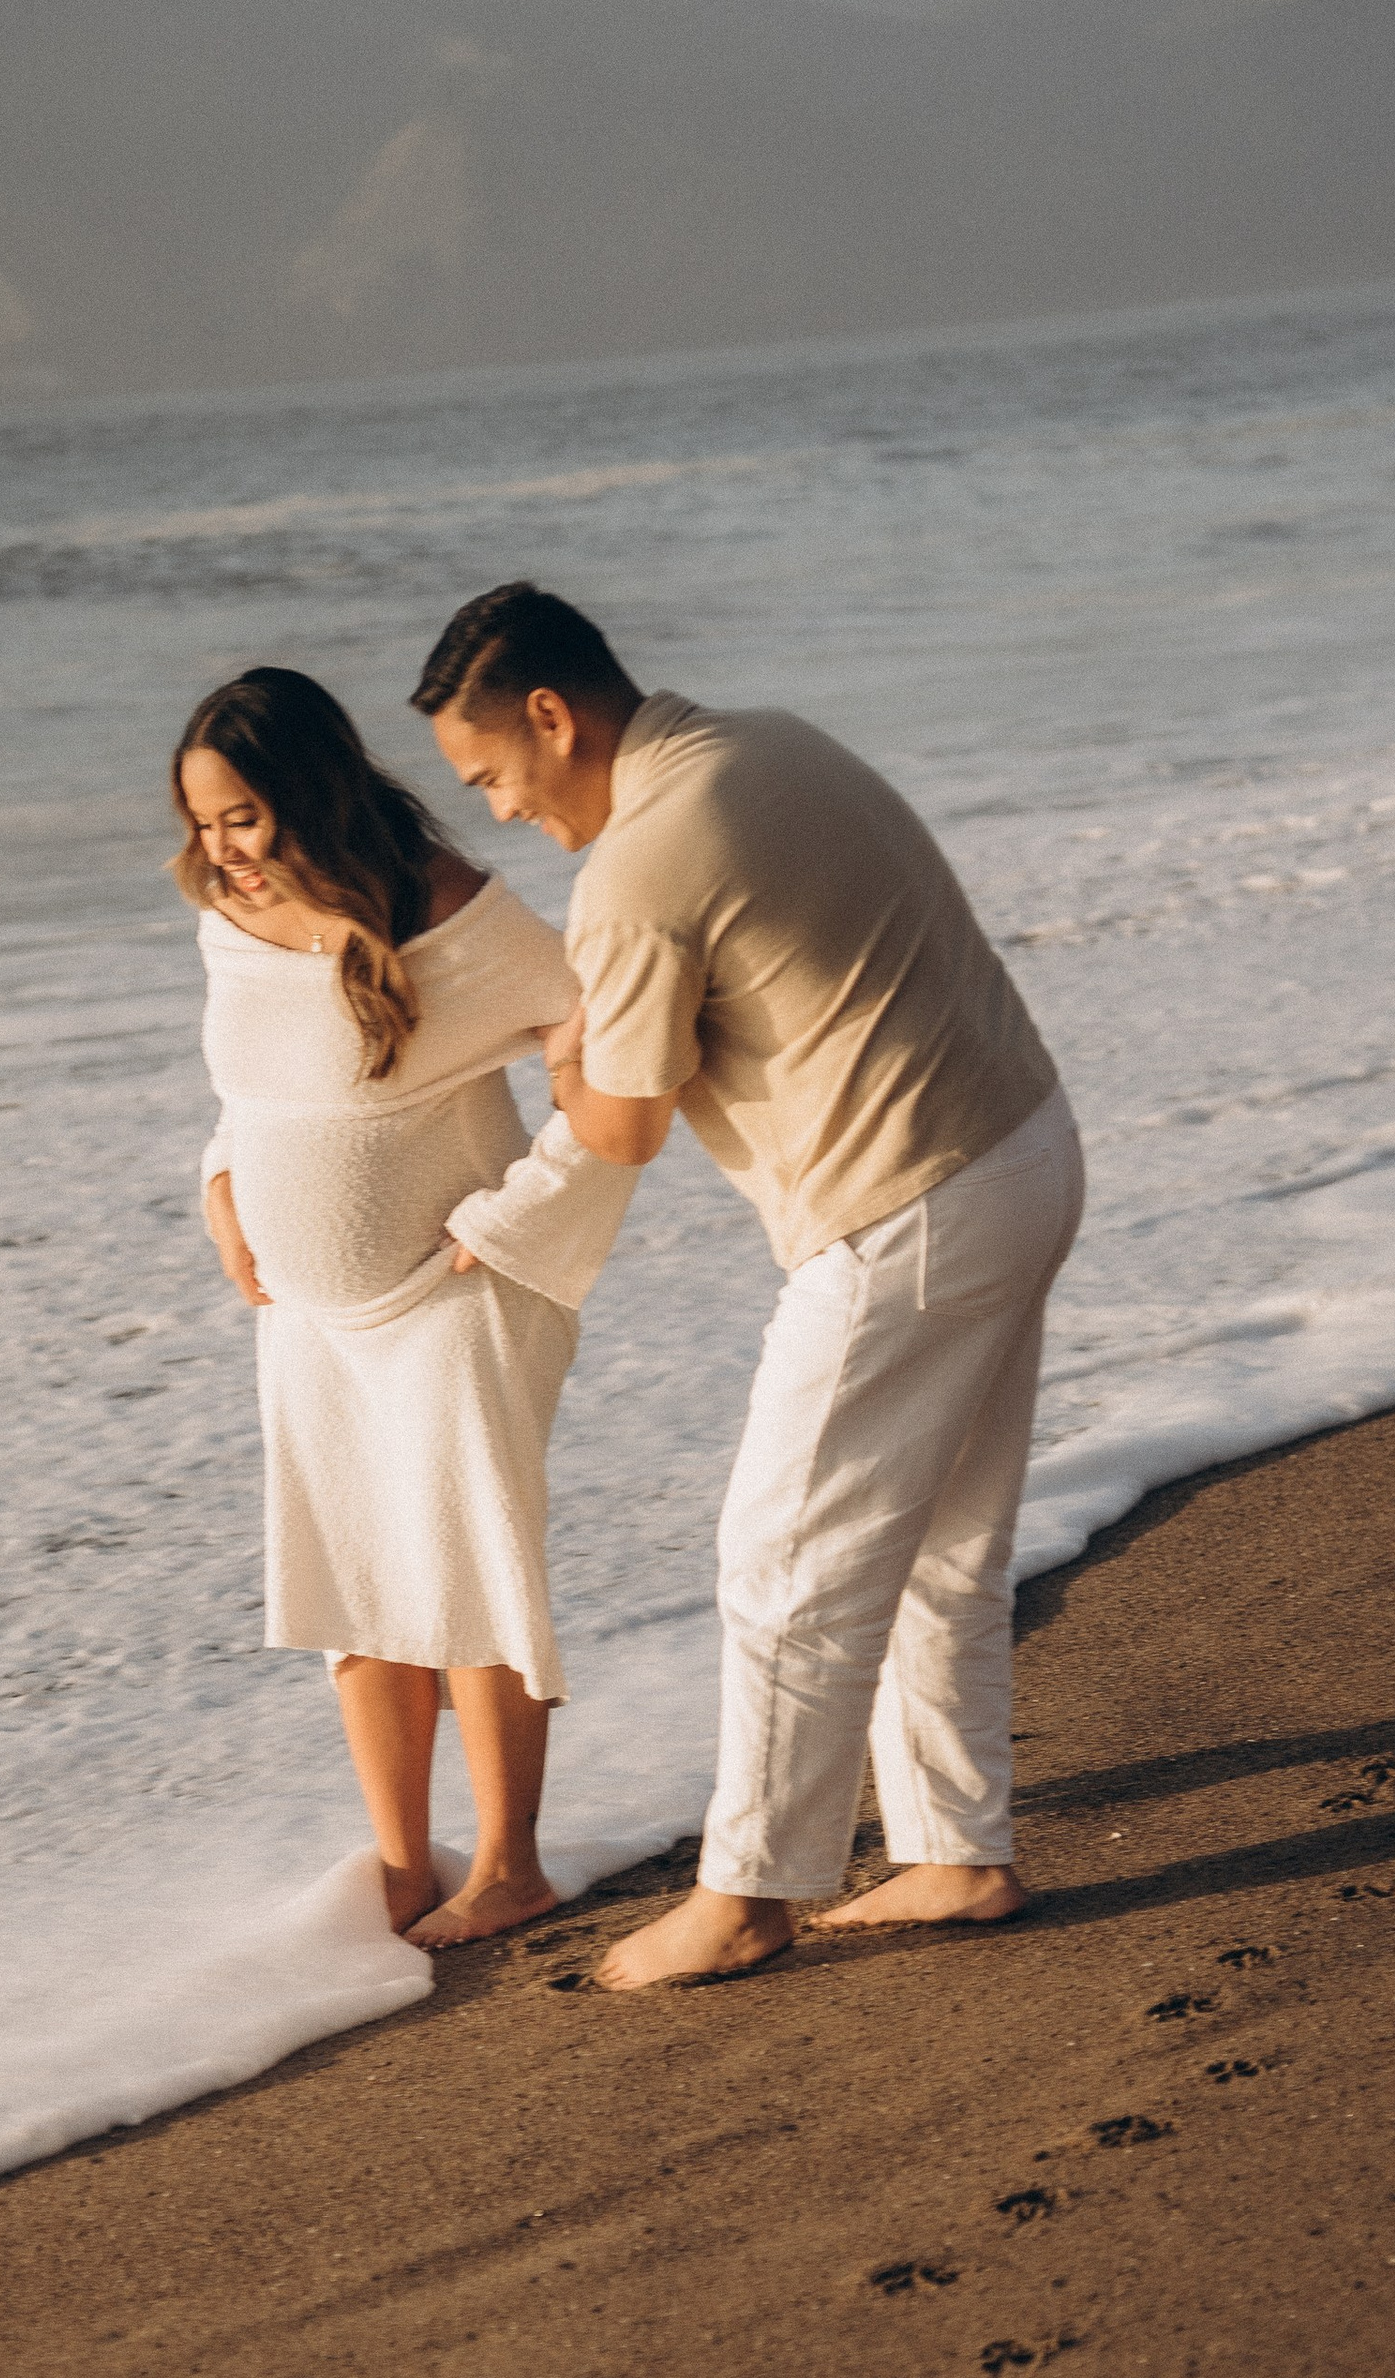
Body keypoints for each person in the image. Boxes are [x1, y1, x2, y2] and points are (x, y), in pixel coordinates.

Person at [414, 582, 1084, 1990]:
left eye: (491, 777)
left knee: (780, 1560)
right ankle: (954, 1852)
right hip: (1020, 1147)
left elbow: (624, 1127)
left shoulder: (639, 865)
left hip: (902, 1209)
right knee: (939, 1543)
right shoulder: (772, 741)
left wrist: (563, 1049)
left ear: (553, 716)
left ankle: (747, 1896)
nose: (503, 811)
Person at [177, 665, 635, 1945]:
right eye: (202, 824)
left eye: (244, 818)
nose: (222, 850)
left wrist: (512, 1217)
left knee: (466, 1572)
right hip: (306, 1316)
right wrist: (223, 1184)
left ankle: (509, 1866)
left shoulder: (447, 910)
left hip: (451, 1299)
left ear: (311, 793)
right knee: (353, 1577)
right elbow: (249, 1086)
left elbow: (608, 1058)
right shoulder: (228, 910)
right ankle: (399, 1862)